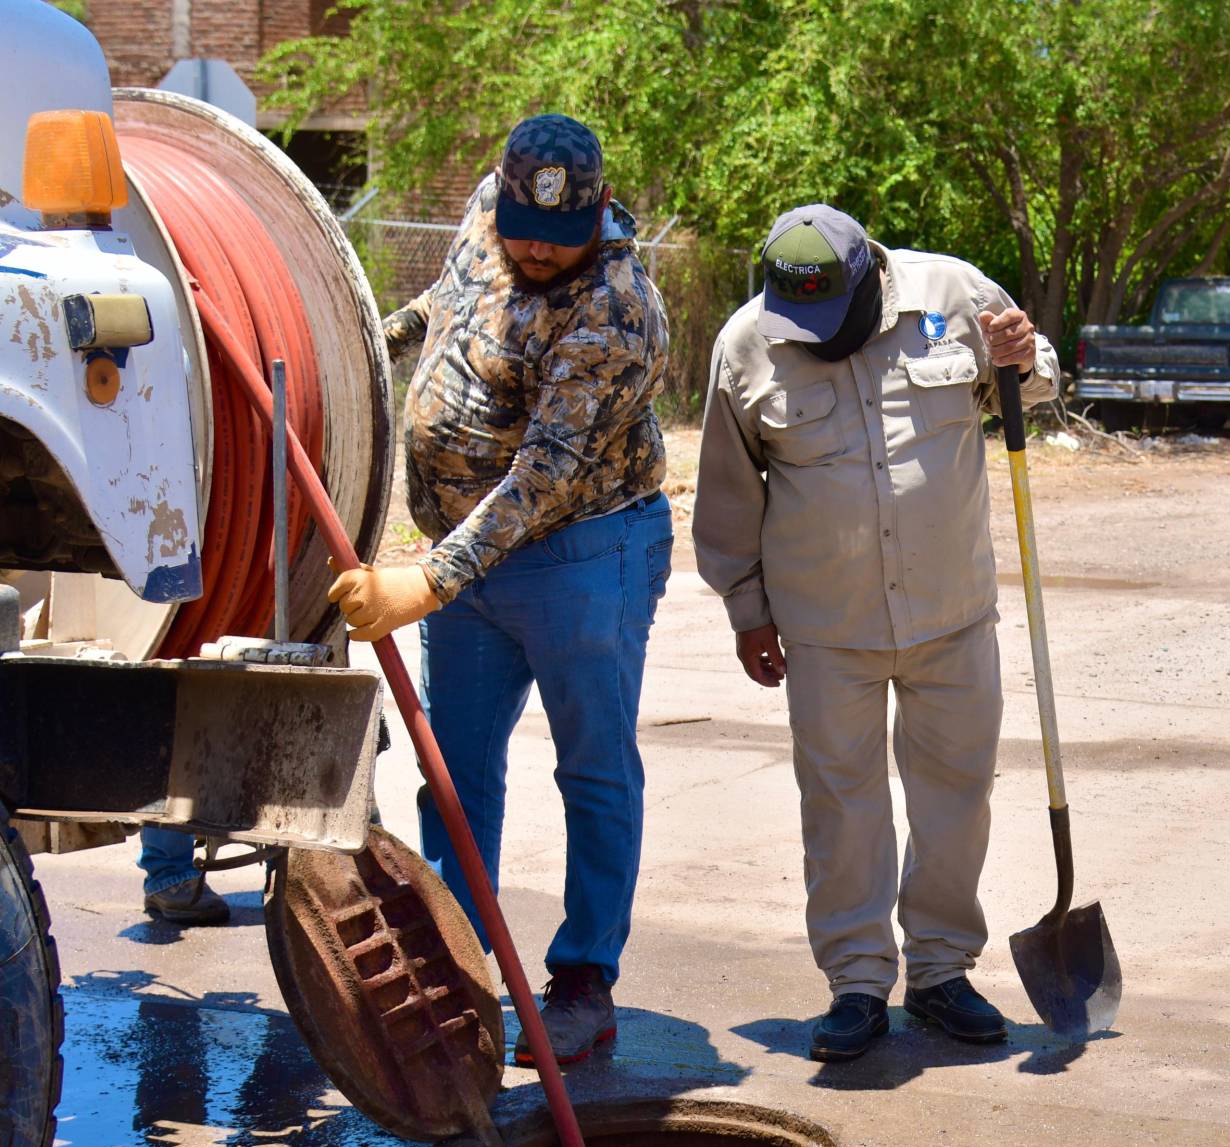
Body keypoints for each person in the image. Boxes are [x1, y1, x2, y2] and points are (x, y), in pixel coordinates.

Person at [330, 113, 672, 1064]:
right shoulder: (489, 215)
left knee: (593, 768)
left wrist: (423, 582)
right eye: (524, 228)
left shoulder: (616, 308)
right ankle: (459, 964)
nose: (535, 250)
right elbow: (441, 308)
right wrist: (359, 345)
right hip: (465, 567)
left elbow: (544, 476)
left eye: (559, 241)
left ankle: (582, 983)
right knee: (455, 773)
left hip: (581, 555)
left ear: (599, 212)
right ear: (504, 192)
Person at [693, 204, 1059, 1062]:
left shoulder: (952, 291)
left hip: (951, 613)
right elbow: (727, 494)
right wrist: (747, 611)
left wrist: (1023, 356)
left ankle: (941, 974)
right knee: (841, 808)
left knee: (955, 801)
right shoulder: (747, 343)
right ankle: (857, 985)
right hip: (825, 628)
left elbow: (1033, 382)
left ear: (871, 279)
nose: (816, 336)